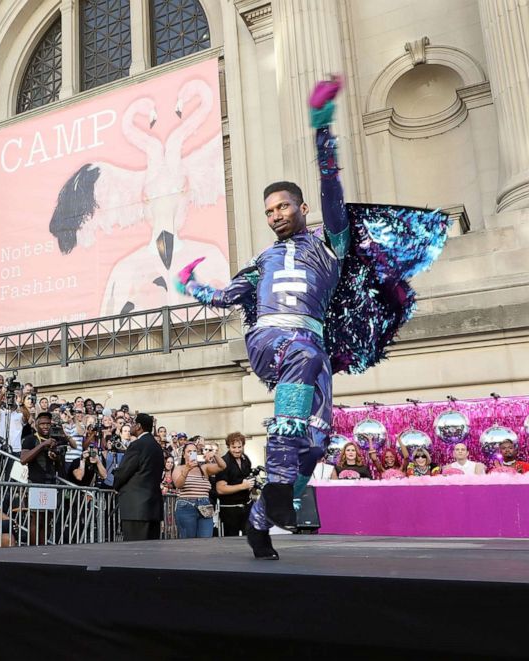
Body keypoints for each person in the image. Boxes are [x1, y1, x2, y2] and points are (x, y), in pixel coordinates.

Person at [176, 78, 450, 559]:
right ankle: (279, 482)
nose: (276, 215)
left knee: (320, 439)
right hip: (273, 342)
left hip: (314, 347)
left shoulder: (331, 242)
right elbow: (224, 297)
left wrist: (323, 130)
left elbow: (331, 189)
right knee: (300, 359)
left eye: (283, 206)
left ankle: (260, 521)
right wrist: (190, 286)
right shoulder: (262, 260)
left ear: (302, 209)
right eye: (269, 210)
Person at [112, 413, 164, 541]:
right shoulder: (157, 447)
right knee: (151, 552)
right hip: (153, 507)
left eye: (134, 424)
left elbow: (125, 470)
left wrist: (116, 485)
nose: (131, 427)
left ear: (139, 426)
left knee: (134, 552)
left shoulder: (137, 445)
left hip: (135, 508)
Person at [172, 439, 225, 538]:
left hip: (205, 505)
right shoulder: (179, 468)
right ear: (184, 455)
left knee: (206, 540)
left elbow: (222, 466)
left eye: (195, 451)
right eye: (189, 452)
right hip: (186, 505)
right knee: (189, 542)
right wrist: (187, 469)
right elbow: (179, 485)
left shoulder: (204, 468)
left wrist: (213, 454)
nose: (192, 454)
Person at [214, 432, 255, 537]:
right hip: (229, 509)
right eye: (234, 447)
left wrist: (251, 484)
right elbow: (220, 489)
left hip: (246, 506)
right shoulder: (224, 462)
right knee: (231, 540)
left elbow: (247, 478)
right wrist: (243, 486)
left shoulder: (245, 459)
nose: (237, 450)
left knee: (251, 537)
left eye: (239, 447)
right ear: (228, 446)